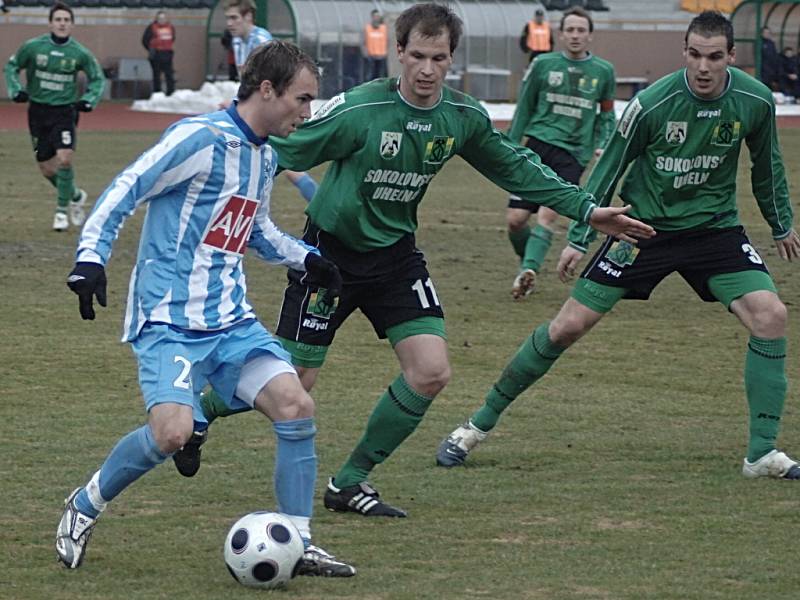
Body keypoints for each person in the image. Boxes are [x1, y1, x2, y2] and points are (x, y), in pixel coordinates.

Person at [180, 2, 654, 517]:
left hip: (395, 260)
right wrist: (215, 216)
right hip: (328, 258)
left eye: (440, 58)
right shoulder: (360, 110)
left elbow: (517, 168)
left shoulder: (460, 117)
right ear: (399, 54)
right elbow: (275, 149)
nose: (428, 70)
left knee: (430, 371)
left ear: (452, 59)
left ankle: (350, 481)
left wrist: (586, 209)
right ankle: (198, 414)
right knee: (293, 381)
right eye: (419, 56)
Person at [436, 11, 800, 484]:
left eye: (714, 57)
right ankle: (475, 426)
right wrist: (581, 237)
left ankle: (761, 454)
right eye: (694, 55)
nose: (704, 67)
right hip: (640, 230)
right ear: (683, 54)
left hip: (715, 231)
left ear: (732, 56)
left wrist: (781, 224)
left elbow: (767, 165)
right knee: (566, 327)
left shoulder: (753, 100)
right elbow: (610, 166)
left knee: (771, 315)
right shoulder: (652, 103)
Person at [55, 41, 355, 578]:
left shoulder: (264, 155)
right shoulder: (198, 138)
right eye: (303, 98)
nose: (308, 112)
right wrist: (91, 259)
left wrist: (309, 259)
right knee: (170, 434)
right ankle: (84, 505)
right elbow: (127, 187)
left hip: (231, 320)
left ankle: (300, 539)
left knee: (295, 404)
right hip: (168, 319)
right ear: (268, 89)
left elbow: (253, 229)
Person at [505, 7, 616, 299]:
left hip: (572, 154)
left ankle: (528, 271)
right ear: (561, 34)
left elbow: (606, 114)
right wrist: (511, 143)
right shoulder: (543, 64)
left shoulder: (603, 72)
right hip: (536, 147)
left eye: (581, 30)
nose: (576, 35)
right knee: (515, 220)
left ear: (590, 35)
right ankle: (526, 261)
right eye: (570, 30)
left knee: (547, 216)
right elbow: (525, 106)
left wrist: (604, 142)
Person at [3, 1, 105, 232]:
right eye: (58, 20)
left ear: (72, 25)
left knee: (65, 159)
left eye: (66, 20)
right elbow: (11, 67)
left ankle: (61, 212)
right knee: (47, 169)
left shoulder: (79, 52)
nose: (62, 24)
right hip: (38, 112)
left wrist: (89, 99)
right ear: (50, 23)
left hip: (65, 111)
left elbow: (97, 78)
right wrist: (15, 90)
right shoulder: (33, 47)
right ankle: (76, 195)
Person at [224, 0, 317, 204]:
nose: (229, 23)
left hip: (267, 114)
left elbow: (267, 84)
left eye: (234, 18)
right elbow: (248, 83)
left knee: (270, 161)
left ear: (248, 17)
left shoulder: (261, 40)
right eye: (227, 18)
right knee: (274, 163)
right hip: (253, 111)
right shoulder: (238, 41)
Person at [142, 10, 176, 96]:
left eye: (163, 18)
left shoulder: (170, 27)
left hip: (167, 53)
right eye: (160, 18)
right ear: (157, 19)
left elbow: (173, 38)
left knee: (169, 74)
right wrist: (151, 49)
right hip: (156, 53)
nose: (162, 20)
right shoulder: (152, 27)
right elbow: (145, 40)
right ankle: (157, 92)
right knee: (156, 74)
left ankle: (170, 92)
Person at [363, 9, 389, 81]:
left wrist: (386, 52)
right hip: (371, 56)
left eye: (378, 16)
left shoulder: (384, 28)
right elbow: (363, 41)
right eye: (375, 16)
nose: (377, 18)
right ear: (372, 17)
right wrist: (365, 53)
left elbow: (387, 41)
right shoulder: (367, 28)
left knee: (381, 76)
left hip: (382, 56)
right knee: (370, 75)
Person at [759, 26, 780, 90]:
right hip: (763, 68)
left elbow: (774, 55)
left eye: (768, 33)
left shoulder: (771, 43)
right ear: (761, 33)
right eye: (765, 32)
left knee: (770, 86)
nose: (767, 34)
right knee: (763, 85)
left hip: (771, 68)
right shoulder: (759, 42)